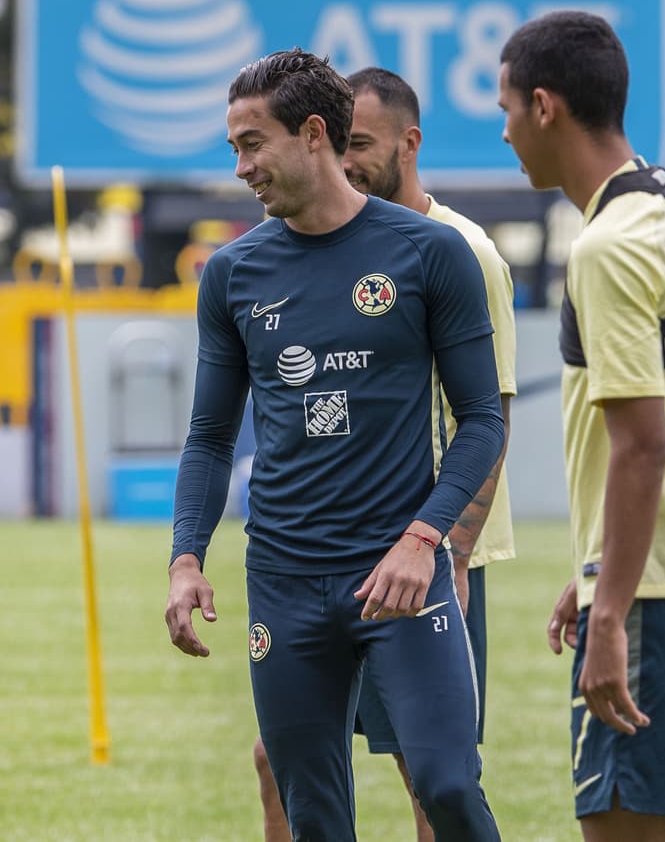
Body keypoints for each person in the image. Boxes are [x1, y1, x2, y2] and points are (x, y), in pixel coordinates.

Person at [163, 49, 504, 842]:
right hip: (283, 580)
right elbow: (210, 437)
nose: (242, 167)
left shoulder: (428, 253)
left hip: (400, 575)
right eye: (234, 149)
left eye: (254, 144)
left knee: (448, 785)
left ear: (314, 133)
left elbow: (481, 419)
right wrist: (186, 557)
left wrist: (427, 536)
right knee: (314, 816)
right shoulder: (232, 273)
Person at [498, 12, 665, 842]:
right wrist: (605, 567)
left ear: (546, 106)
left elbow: (645, 443)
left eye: (506, 109)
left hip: (656, 601)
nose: (503, 133)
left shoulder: (607, 247)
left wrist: (611, 609)